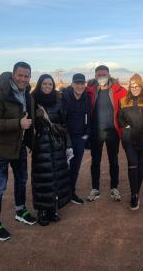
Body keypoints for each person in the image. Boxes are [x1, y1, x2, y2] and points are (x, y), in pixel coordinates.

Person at [0, 62, 36, 241]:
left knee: (22, 180)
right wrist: (17, 123)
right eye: (20, 75)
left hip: (18, 146)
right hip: (0, 148)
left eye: (26, 76)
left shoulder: (27, 94)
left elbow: (30, 116)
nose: (23, 79)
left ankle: (20, 210)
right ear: (13, 74)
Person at [31, 74, 70, 226]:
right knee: (42, 179)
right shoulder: (33, 100)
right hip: (40, 146)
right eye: (44, 84)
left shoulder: (58, 101)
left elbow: (64, 124)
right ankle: (42, 211)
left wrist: (52, 124)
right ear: (40, 85)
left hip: (56, 144)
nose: (47, 87)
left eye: (50, 84)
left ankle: (53, 208)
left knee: (57, 176)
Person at [86, 65, 127, 201]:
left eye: (104, 74)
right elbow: (75, 93)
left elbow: (131, 100)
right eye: (99, 75)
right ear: (95, 76)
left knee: (113, 161)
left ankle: (114, 188)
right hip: (96, 132)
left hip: (112, 132)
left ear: (109, 75)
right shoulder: (90, 90)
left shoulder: (119, 90)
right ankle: (95, 188)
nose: (101, 77)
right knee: (95, 161)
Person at [118, 74, 143, 210]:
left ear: (141, 86)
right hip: (129, 138)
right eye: (132, 87)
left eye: (137, 86)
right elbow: (119, 117)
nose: (134, 89)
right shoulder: (123, 101)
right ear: (129, 87)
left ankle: (136, 192)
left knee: (140, 165)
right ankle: (134, 195)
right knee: (132, 164)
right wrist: (124, 125)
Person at [62, 73, 91, 205]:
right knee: (62, 167)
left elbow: (89, 117)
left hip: (79, 138)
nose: (80, 86)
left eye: (82, 84)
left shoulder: (87, 98)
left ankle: (71, 193)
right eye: (77, 83)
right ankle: (60, 194)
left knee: (75, 167)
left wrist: (86, 134)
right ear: (72, 84)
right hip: (64, 137)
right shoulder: (64, 96)